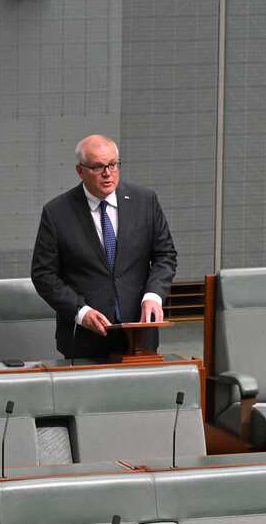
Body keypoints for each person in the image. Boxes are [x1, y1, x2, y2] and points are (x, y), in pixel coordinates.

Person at [31, 134, 177, 359]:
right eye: (98, 167)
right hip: (84, 339)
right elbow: (43, 275)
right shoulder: (57, 212)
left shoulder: (145, 201)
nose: (107, 173)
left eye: (112, 165)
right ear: (80, 171)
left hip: (138, 334)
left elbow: (165, 255)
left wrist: (153, 295)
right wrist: (81, 312)